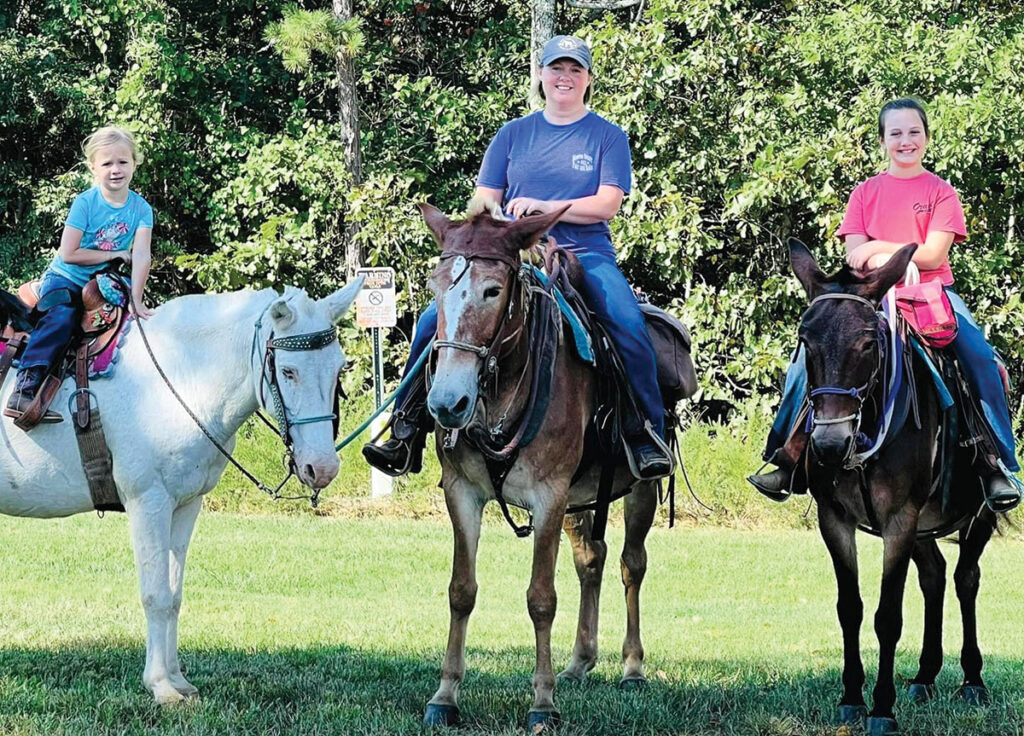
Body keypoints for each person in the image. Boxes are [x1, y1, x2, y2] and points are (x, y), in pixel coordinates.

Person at [364, 34, 673, 480]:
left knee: (627, 325)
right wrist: (506, 219)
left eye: (575, 70)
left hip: (586, 252)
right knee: (434, 321)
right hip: (511, 254)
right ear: (541, 76)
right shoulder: (512, 135)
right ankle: (406, 429)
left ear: (587, 79)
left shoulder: (607, 136)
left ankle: (644, 434)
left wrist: (545, 211)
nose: (564, 77)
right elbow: (483, 201)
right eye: (556, 69)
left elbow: (608, 203)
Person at [749, 97, 1021, 512]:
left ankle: (996, 463)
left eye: (914, 132)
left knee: (979, 359)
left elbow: (931, 255)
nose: (905, 140)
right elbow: (856, 255)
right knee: (807, 360)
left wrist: (884, 251)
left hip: (932, 293)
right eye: (895, 133)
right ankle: (786, 456)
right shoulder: (865, 193)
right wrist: (891, 261)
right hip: (869, 298)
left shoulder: (941, 192)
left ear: (927, 139)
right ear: (882, 141)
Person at [4, 125, 154, 424]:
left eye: (123, 161)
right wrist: (112, 254)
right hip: (66, 277)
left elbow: (141, 255)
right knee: (61, 316)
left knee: (131, 327)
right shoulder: (86, 203)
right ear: (93, 167)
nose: (115, 169)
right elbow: (69, 252)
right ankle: (25, 386)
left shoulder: (141, 208)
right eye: (107, 163)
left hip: (103, 283)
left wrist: (137, 299)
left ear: (134, 163)